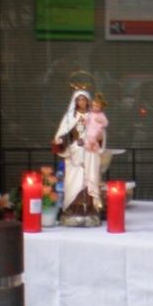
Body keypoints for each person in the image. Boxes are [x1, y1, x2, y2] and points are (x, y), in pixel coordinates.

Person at [52, 89, 101, 225]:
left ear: (88, 101)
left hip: (90, 153)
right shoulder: (69, 117)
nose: (81, 102)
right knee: (74, 182)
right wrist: (62, 141)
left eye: (84, 99)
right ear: (75, 102)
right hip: (74, 153)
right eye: (79, 100)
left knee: (88, 180)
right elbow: (60, 136)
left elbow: (101, 135)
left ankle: (89, 210)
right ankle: (72, 209)